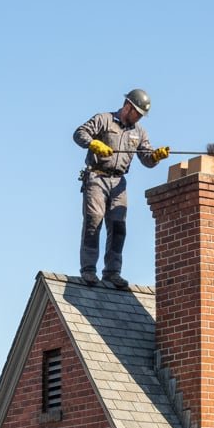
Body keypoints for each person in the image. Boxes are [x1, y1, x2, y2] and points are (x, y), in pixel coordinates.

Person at [73, 88, 169, 288]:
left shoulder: (139, 132)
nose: (139, 119)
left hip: (119, 182)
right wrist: (94, 144)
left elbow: (147, 159)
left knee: (118, 227)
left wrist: (156, 157)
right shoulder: (104, 119)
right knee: (94, 220)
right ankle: (89, 269)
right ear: (128, 106)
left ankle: (112, 272)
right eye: (137, 114)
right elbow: (79, 133)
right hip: (97, 177)